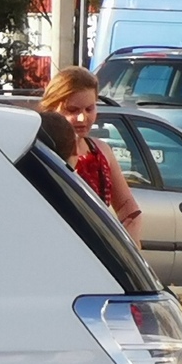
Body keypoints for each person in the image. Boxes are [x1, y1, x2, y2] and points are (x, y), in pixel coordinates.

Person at [41, 65, 142, 238]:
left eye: (89, 109)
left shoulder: (101, 150)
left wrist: (127, 250)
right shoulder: (41, 150)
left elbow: (128, 208)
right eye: (72, 110)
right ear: (51, 108)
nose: (82, 118)